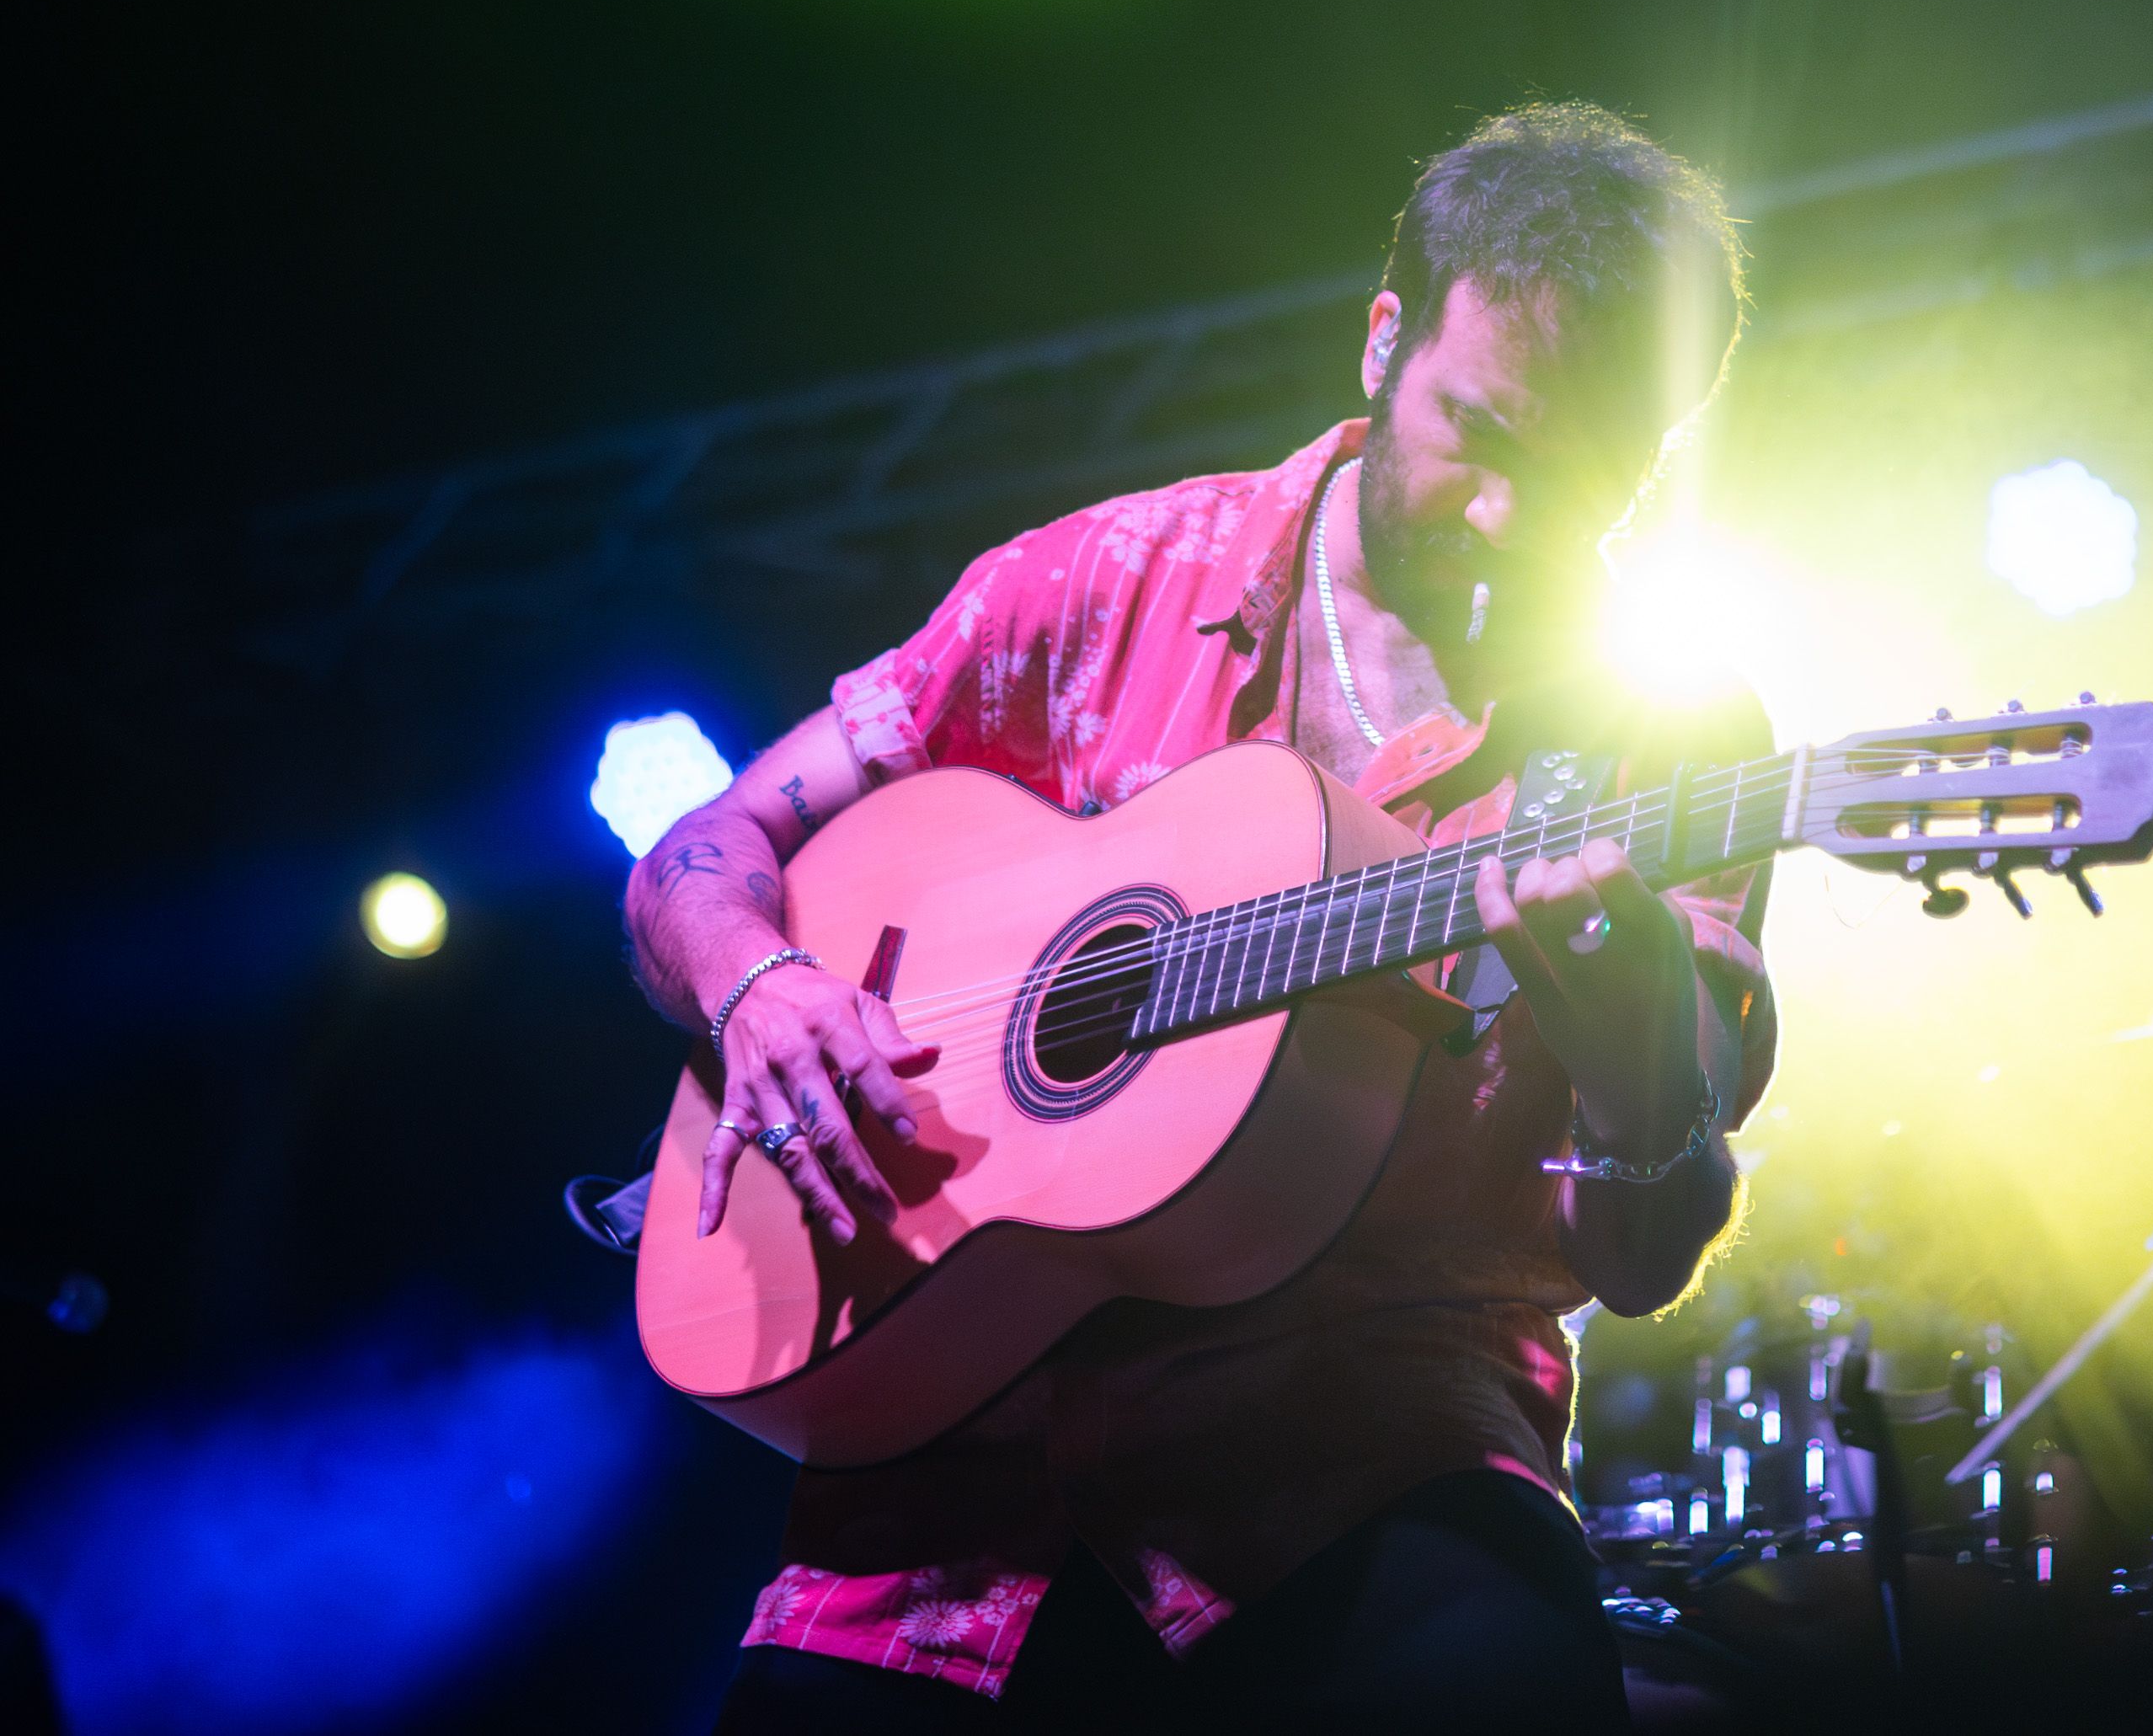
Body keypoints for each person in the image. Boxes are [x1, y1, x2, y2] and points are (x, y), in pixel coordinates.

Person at [622, 104, 1775, 1731]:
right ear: (1384, 343)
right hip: (939, 1514)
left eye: (1595, 477)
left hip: (1375, 1460)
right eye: (1488, 438)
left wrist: (1636, 1052)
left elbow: (1641, 1254)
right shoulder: (1104, 579)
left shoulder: (1677, 747)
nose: (1518, 521)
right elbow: (712, 841)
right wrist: (757, 989)